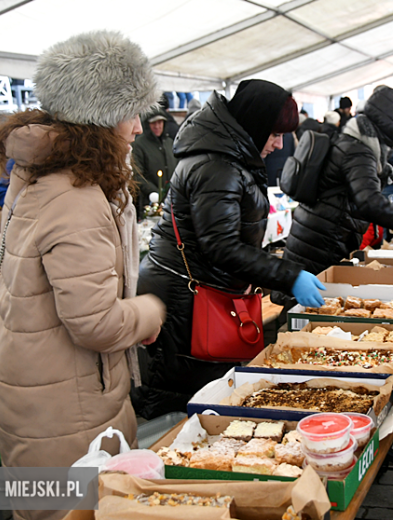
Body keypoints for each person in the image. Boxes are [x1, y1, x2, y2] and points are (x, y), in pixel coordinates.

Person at [0, 31, 166, 520]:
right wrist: (149, 310)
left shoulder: (37, 173)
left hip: (39, 384)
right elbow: (94, 323)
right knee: (79, 511)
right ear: (101, 119)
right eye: (130, 113)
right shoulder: (76, 196)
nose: (137, 126)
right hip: (66, 404)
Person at [134, 79, 324, 419]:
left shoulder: (230, 156)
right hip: (184, 302)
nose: (279, 145)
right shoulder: (216, 165)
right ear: (255, 125)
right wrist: (289, 276)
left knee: (211, 398)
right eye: (274, 134)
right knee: (191, 405)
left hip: (199, 294)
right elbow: (221, 246)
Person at [283, 86, 393, 275]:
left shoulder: (351, 141)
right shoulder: (358, 152)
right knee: (308, 303)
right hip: (321, 245)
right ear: (390, 130)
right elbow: (370, 203)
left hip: (316, 239)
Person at [131, 107, 178, 209]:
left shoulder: (169, 142)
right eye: (153, 123)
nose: (157, 126)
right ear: (147, 125)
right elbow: (137, 174)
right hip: (150, 202)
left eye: (160, 122)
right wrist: (154, 192)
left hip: (171, 200)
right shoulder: (139, 145)